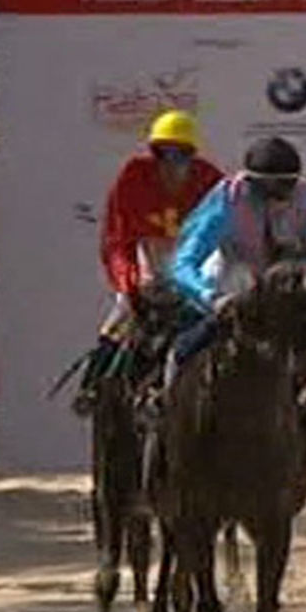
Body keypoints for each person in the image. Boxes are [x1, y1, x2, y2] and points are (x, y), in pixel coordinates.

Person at [72, 109, 223, 413]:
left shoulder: (211, 180)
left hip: (194, 263)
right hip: (150, 258)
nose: (172, 163)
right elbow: (117, 239)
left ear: (192, 156)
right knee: (122, 314)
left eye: (181, 155)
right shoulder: (133, 177)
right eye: (163, 154)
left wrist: (204, 285)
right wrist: (127, 283)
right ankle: (92, 384)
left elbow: (221, 238)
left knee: (221, 314)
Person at [168, 135, 306, 372]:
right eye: (273, 187)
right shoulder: (228, 200)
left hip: (286, 297)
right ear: (252, 182)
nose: (281, 195)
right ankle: (170, 383)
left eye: (288, 185)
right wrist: (209, 296)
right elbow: (183, 263)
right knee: (186, 348)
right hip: (232, 285)